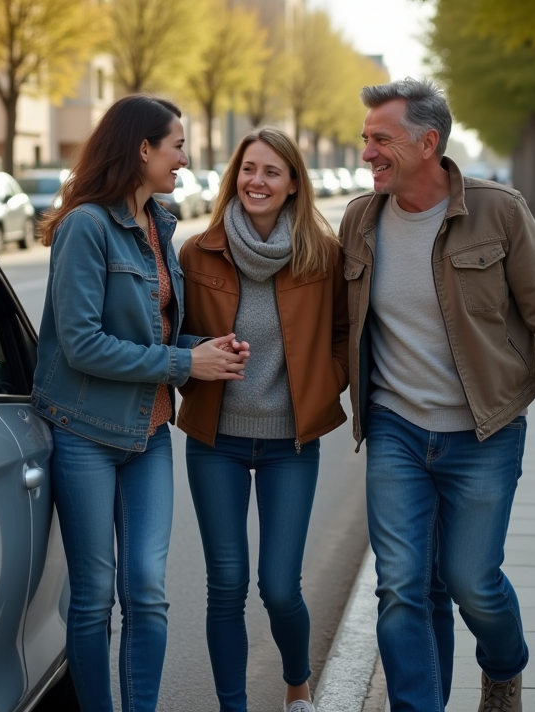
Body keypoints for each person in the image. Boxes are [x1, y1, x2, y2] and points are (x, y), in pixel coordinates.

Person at [338, 79, 535, 712]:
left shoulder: (498, 211)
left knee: (470, 584)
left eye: (380, 139)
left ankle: (504, 665)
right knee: (402, 588)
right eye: (365, 138)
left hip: (485, 431)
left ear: (428, 142)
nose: (367, 152)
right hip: (395, 426)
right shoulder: (360, 221)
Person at [32, 94, 250, 712]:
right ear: (143, 148)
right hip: (84, 432)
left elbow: (147, 332)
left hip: (149, 433)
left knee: (148, 591)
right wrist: (186, 363)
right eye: (177, 144)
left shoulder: (161, 223)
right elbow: (81, 344)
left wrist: (204, 349)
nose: (185, 157)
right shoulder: (86, 227)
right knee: (95, 594)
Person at [177, 127, 348, 712]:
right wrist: (200, 353)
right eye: (249, 169)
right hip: (215, 441)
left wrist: (330, 379)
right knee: (225, 584)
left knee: (279, 588)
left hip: (290, 445)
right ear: (234, 177)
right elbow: (171, 337)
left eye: (272, 171)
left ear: (293, 183)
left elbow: (347, 334)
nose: (258, 181)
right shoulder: (197, 252)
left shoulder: (322, 256)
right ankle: (233, 705)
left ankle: (297, 687)